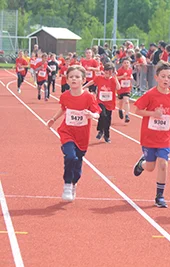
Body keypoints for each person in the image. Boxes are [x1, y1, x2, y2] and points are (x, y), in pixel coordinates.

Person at [46, 65, 101, 201]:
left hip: (82, 135)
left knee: (78, 165)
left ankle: (74, 182)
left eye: (77, 77)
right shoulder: (65, 96)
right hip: (67, 132)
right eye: (71, 77)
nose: (74, 79)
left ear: (83, 80)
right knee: (70, 157)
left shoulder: (89, 97)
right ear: (67, 80)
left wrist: (92, 115)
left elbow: (97, 113)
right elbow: (63, 109)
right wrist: (53, 119)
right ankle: (67, 185)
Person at [132, 61, 170, 208]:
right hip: (149, 136)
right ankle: (142, 164)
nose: (166, 79)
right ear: (157, 77)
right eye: (163, 76)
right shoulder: (150, 94)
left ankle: (160, 196)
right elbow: (137, 110)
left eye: (169, 77)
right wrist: (153, 113)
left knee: (163, 164)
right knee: (151, 167)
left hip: (165, 136)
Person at [83, 63, 120, 143]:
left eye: (109, 72)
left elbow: (118, 87)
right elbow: (92, 82)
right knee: (102, 115)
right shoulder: (99, 78)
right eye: (106, 72)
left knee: (107, 120)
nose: (107, 74)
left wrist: (115, 77)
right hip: (100, 101)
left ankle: (107, 136)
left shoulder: (113, 80)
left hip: (110, 103)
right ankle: (100, 130)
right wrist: (83, 87)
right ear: (104, 72)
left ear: (113, 72)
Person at [116, 57, 133, 123]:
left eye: (127, 63)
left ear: (129, 64)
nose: (126, 64)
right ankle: (120, 109)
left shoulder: (130, 69)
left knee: (126, 101)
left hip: (127, 89)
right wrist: (122, 76)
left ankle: (127, 115)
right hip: (121, 89)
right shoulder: (120, 70)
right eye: (125, 63)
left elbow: (130, 76)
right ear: (122, 64)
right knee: (120, 102)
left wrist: (131, 77)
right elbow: (116, 77)